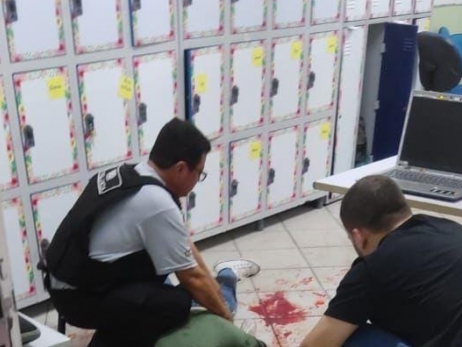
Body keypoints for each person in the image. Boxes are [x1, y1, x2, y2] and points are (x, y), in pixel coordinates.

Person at [44, 118, 260, 347]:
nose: (198, 180)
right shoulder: (157, 203)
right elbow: (192, 278)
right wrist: (227, 323)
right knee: (178, 302)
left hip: (69, 280)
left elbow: (184, 244)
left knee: (175, 281)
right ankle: (227, 278)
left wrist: (210, 285)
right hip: (79, 298)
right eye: (199, 173)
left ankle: (224, 281)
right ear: (181, 168)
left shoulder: (135, 174)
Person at [301, 175, 462, 347]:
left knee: (354, 337)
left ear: (358, 236)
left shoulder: (371, 268)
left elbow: (314, 345)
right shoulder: (450, 228)